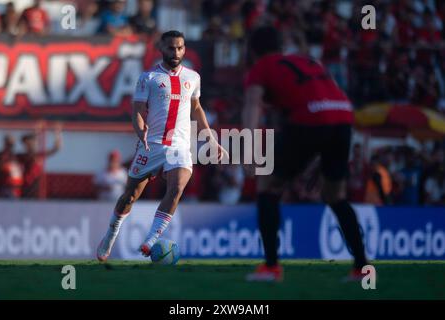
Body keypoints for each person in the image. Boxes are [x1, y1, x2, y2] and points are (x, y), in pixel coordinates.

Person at [242, 26, 368, 282]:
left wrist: (247, 149)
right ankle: (361, 268)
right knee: (335, 195)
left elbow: (253, 104)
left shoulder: (262, 66)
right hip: (343, 116)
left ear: (253, 50)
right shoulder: (306, 59)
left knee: (268, 186)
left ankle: (271, 268)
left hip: (310, 117)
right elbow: (322, 94)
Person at [97, 30, 228, 261]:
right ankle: (112, 231)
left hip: (179, 146)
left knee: (177, 188)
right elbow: (137, 111)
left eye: (179, 48)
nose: (175, 52)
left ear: (184, 49)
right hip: (152, 145)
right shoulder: (148, 78)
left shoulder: (193, 77)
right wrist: (141, 130)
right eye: (171, 48)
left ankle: (150, 241)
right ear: (161, 49)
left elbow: (196, 107)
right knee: (130, 196)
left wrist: (211, 138)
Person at [17, 128, 62, 198]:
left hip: (37, 187)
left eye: (32, 142)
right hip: (25, 187)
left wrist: (57, 134)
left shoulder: (39, 155)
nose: (30, 145)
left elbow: (56, 148)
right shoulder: (22, 156)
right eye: (27, 144)